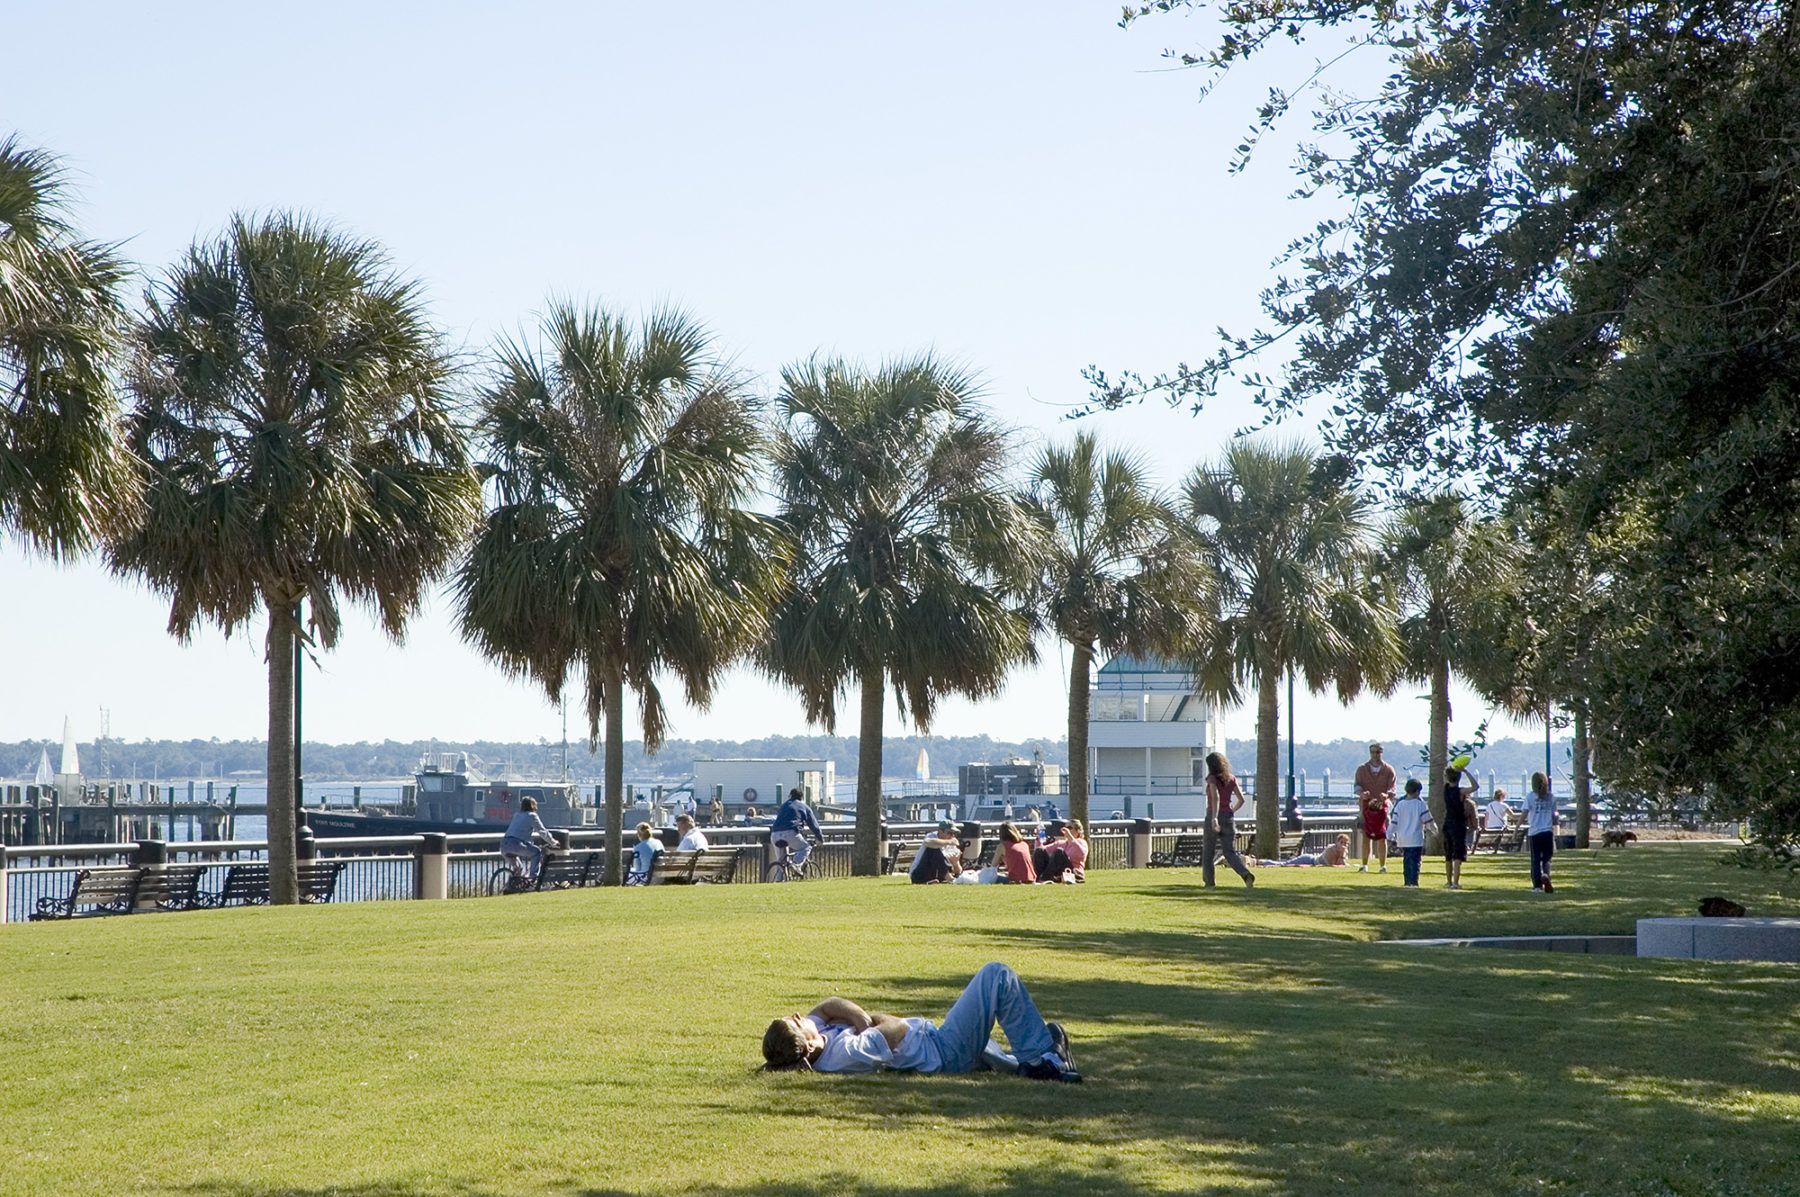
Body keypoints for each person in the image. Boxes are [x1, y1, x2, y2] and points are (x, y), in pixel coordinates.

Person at [761, 961, 1080, 1082]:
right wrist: (869, 1021)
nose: (801, 1015)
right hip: (945, 1053)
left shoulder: (821, 1038)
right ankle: (1043, 1060)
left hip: (938, 1042)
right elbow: (897, 1028)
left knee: (1001, 1057)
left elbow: (829, 1004)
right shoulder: (845, 1053)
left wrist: (857, 1017)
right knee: (995, 975)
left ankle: (1025, 1063)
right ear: (810, 1044)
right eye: (797, 1021)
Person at [1202, 751, 1255, 890]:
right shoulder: (1231, 778)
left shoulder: (1212, 779)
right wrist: (1232, 810)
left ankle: (1209, 882)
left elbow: (1215, 797)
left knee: (1208, 852)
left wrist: (1214, 817)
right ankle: (1245, 874)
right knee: (1229, 852)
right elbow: (1241, 799)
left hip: (1214, 814)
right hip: (1228, 817)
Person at [1354, 743, 1397, 872]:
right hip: (1366, 807)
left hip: (1382, 807)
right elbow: (1356, 787)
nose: (1375, 755)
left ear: (1381, 753)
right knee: (1366, 836)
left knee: (1381, 837)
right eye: (1373, 752)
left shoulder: (1389, 770)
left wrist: (1387, 795)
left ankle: (1382, 866)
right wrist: (1362, 794)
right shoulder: (1362, 769)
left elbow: (1393, 789)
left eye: (1378, 752)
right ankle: (1364, 865)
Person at [1389, 778, 1433, 887]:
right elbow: (1428, 820)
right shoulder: (1420, 804)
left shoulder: (1400, 805)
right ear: (1417, 791)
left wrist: (1389, 835)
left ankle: (1407, 881)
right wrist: (1434, 830)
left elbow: (1394, 822)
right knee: (1415, 861)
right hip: (1416, 837)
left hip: (1403, 837)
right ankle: (1413, 881)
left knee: (1407, 860)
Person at [1441, 765, 1478, 889]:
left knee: (1448, 855)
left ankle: (1448, 881)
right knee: (1457, 855)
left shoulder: (1445, 789)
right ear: (1459, 778)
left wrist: (1451, 769)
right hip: (1458, 825)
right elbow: (1475, 787)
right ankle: (1456, 883)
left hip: (1447, 823)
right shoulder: (1460, 792)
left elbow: (1445, 776)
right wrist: (1466, 771)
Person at [500, 796, 555, 878]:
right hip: (516, 844)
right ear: (533, 806)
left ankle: (511, 886)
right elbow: (542, 832)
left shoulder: (517, 815)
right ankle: (533, 878)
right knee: (536, 852)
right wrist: (553, 842)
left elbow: (519, 832)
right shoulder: (532, 816)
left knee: (518, 868)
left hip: (504, 845)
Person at [770, 787, 824, 869]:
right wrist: (819, 838)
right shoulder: (804, 806)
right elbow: (813, 824)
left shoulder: (784, 805)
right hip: (790, 833)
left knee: (781, 863)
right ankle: (796, 865)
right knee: (806, 847)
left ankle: (779, 880)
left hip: (775, 834)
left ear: (790, 796)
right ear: (802, 797)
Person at [1525, 770, 1558, 892]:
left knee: (1535, 859)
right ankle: (1546, 875)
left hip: (1535, 831)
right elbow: (1555, 814)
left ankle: (1537, 885)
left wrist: (1516, 828)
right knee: (1547, 858)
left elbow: (1525, 812)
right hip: (1547, 831)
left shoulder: (1530, 797)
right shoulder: (1551, 797)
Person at [1249, 833, 1352, 867]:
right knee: (1282, 865)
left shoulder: (1343, 852)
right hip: (1308, 860)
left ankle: (1256, 861)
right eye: (1341, 842)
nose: (1342, 845)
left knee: (1283, 864)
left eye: (1345, 844)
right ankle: (1257, 861)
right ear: (1337, 842)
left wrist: (1342, 855)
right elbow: (1332, 865)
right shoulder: (1330, 849)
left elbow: (1340, 865)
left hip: (1312, 861)